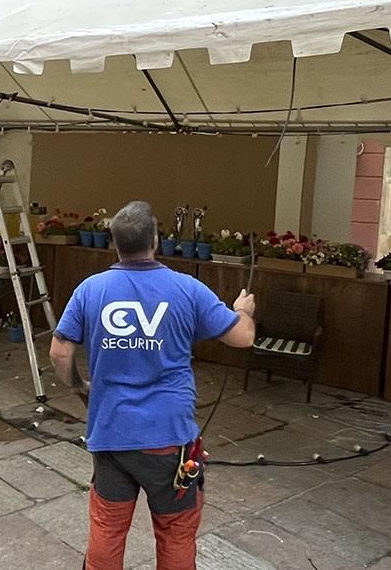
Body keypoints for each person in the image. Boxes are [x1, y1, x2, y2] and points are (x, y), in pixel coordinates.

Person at [50, 201, 257, 570]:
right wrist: (243, 310)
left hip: (111, 434)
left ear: (115, 243)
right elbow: (242, 337)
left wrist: (79, 386)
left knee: (107, 529)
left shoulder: (90, 289)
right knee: (176, 531)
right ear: (156, 240)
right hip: (169, 440)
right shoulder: (187, 289)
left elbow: (59, 351)